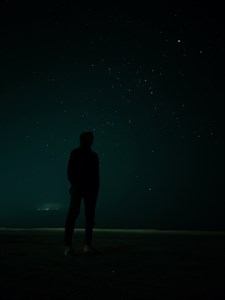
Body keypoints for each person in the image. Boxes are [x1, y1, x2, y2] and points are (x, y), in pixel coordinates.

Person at [64, 131, 100, 255]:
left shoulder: (92, 155)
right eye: (89, 138)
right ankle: (72, 246)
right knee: (75, 215)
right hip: (81, 188)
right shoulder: (78, 153)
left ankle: (81, 246)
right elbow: (70, 172)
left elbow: (96, 176)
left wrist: (94, 189)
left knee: (85, 217)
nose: (91, 140)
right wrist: (76, 185)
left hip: (86, 189)